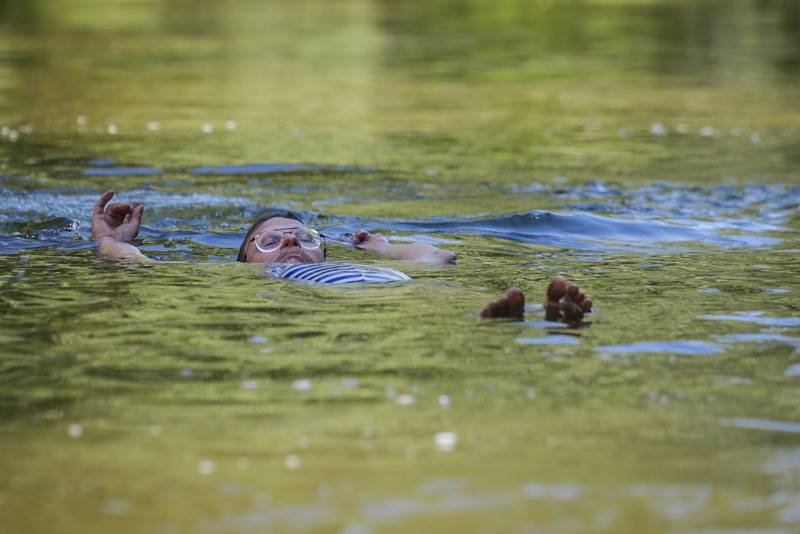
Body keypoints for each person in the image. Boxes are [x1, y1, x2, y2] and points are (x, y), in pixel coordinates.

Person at [91, 190, 592, 322]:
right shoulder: (243, 284)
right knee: (424, 305)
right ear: (244, 264)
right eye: (269, 242)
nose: (289, 242)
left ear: (321, 247)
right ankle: (504, 316)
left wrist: (384, 247)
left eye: (301, 236)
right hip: (360, 300)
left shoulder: (364, 263)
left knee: (431, 292)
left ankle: (532, 313)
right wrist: (113, 239)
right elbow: (134, 263)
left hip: (387, 282)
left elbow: (439, 259)